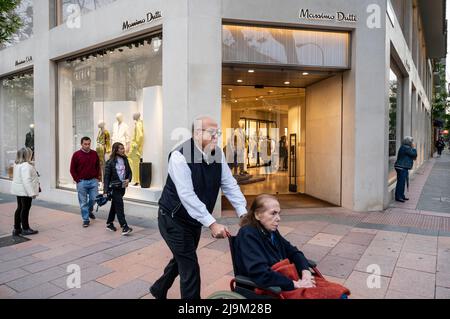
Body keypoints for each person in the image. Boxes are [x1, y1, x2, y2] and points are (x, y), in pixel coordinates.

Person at [150, 116, 247, 300]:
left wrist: (242, 212)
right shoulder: (180, 156)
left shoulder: (217, 154)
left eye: (217, 133)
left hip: (192, 220)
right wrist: (212, 224)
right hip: (173, 218)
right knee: (190, 266)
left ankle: (158, 288)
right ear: (196, 133)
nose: (216, 137)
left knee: (182, 259)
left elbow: (229, 184)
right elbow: (187, 196)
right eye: (212, 133)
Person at [234, 194, 350, 299]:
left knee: (339, 293)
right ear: (258, 215)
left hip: (284, 280)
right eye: (273, 213)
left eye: (279, 213)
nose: (278, 218)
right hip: (269, 288)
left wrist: (306, 273)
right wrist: (295, 284)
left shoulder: (271, 232)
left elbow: (294, 252)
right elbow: (259, 273)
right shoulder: (248, 235)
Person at [70, 137, 101, 227]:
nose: (87, 146)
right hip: (82, 182)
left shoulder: (94, 154)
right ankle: (86, 219)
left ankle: (89, 210)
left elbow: (98, 166)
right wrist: (77, 180)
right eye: (85, 144)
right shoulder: (76, 155)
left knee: (94, 198)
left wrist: (97, 178)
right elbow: (72, 169)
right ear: (81, 144)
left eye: (89, 144)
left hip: (93, 181)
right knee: (83, 202)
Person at [103, 142, 133, 235]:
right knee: (120, 206)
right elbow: (106, 177)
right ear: (115, 150)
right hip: (114, 188)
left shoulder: (125, 159)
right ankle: (124, 227)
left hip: (122, 187)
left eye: (123, 148)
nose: (123, 150)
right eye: (120, 148)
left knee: (115, 206)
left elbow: (130, 172)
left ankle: (109, 223)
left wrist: (128, 179)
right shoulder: (110, 162)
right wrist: (105, 191)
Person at [10, 147, 40, 236]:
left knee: (19, 208)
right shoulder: (26, 166)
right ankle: (25, 229)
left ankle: (17, 228)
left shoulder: (17, 164)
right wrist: (32, 193)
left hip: (20, 190)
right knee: (25, 209)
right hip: (25, 191)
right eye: (31, 153)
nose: (32, 155)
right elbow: (26, 181)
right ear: (27, 155)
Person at [394, 136, 417, 203]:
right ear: (409, 142)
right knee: (401, 182)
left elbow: (413, 156)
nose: (413, 143)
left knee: (402, 182)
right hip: (401, 167)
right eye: (412, 141)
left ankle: (401, 195)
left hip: (403, 167)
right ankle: (398, 197)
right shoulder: (406, 147)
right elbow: (414, 154)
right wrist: (414, 148)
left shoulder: (405, 147)